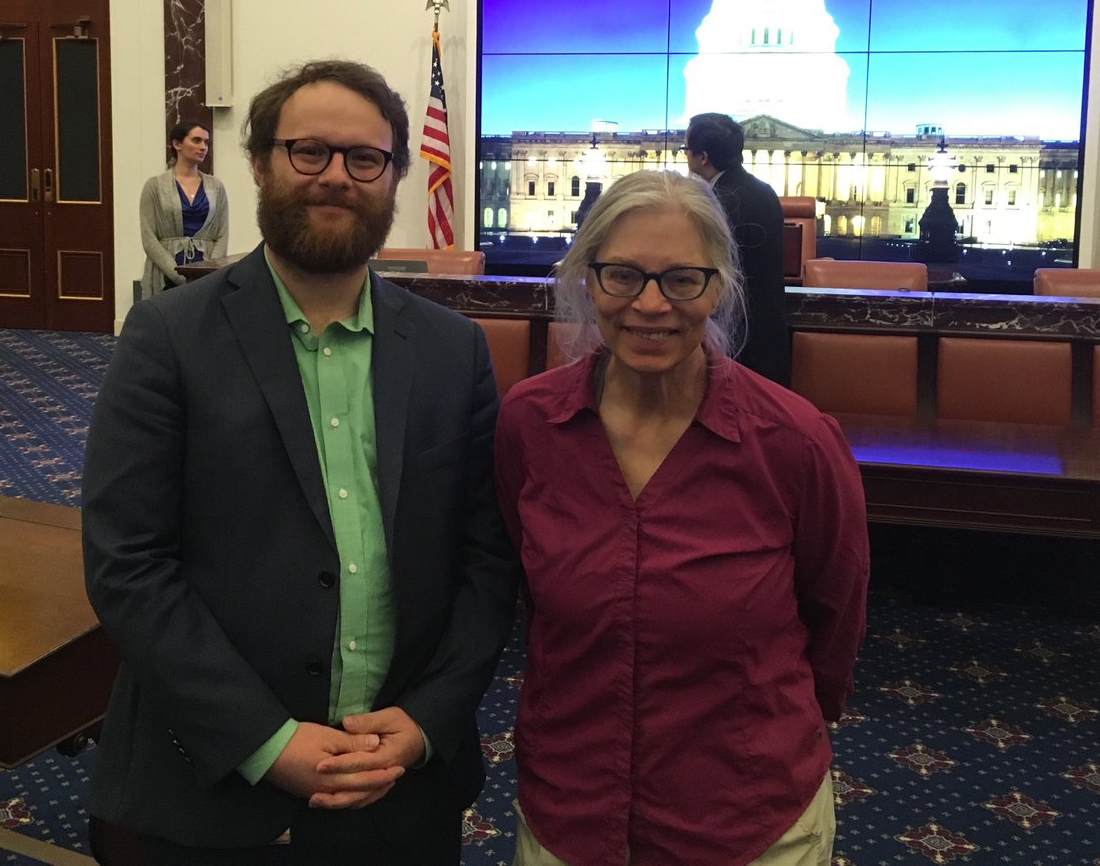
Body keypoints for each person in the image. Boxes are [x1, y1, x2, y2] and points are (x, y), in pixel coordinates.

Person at [84, 60, 518, 865]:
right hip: (210, 788)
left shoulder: (454, 351)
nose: (336, 178)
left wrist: (428, 719)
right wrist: (264, 739)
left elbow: (488, 560)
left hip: (403, 787)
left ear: (393, 176)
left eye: (365, 159)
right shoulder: (167, 339)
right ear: (257, 162)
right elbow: (127, 565)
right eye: (308, 152)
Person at [495, 170, 869, 866]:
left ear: (719, 286)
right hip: (570, 812)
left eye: (681, 280)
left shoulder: (796, 442)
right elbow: (526, 593)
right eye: (623, 275)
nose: (650, 304)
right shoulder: (530, 423)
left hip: (746, 821)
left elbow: (835, 620)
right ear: (586, 280)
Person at [685, 111, 790, 385]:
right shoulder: (764, 190)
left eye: (687, 150)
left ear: (703, 157)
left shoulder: (714, 203)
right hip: (768, 336)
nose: (686, 156)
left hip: (733, 341)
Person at [138, 119, 229, 297]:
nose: (203, 147)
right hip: (166, 273)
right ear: (177, 144)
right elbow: (149, 238)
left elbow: (222, 234)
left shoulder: (215, 186)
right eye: (196, 141)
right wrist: (177, 273)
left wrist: (209, 271)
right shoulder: (155, 186)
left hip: (206, 275)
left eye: (206, 142)